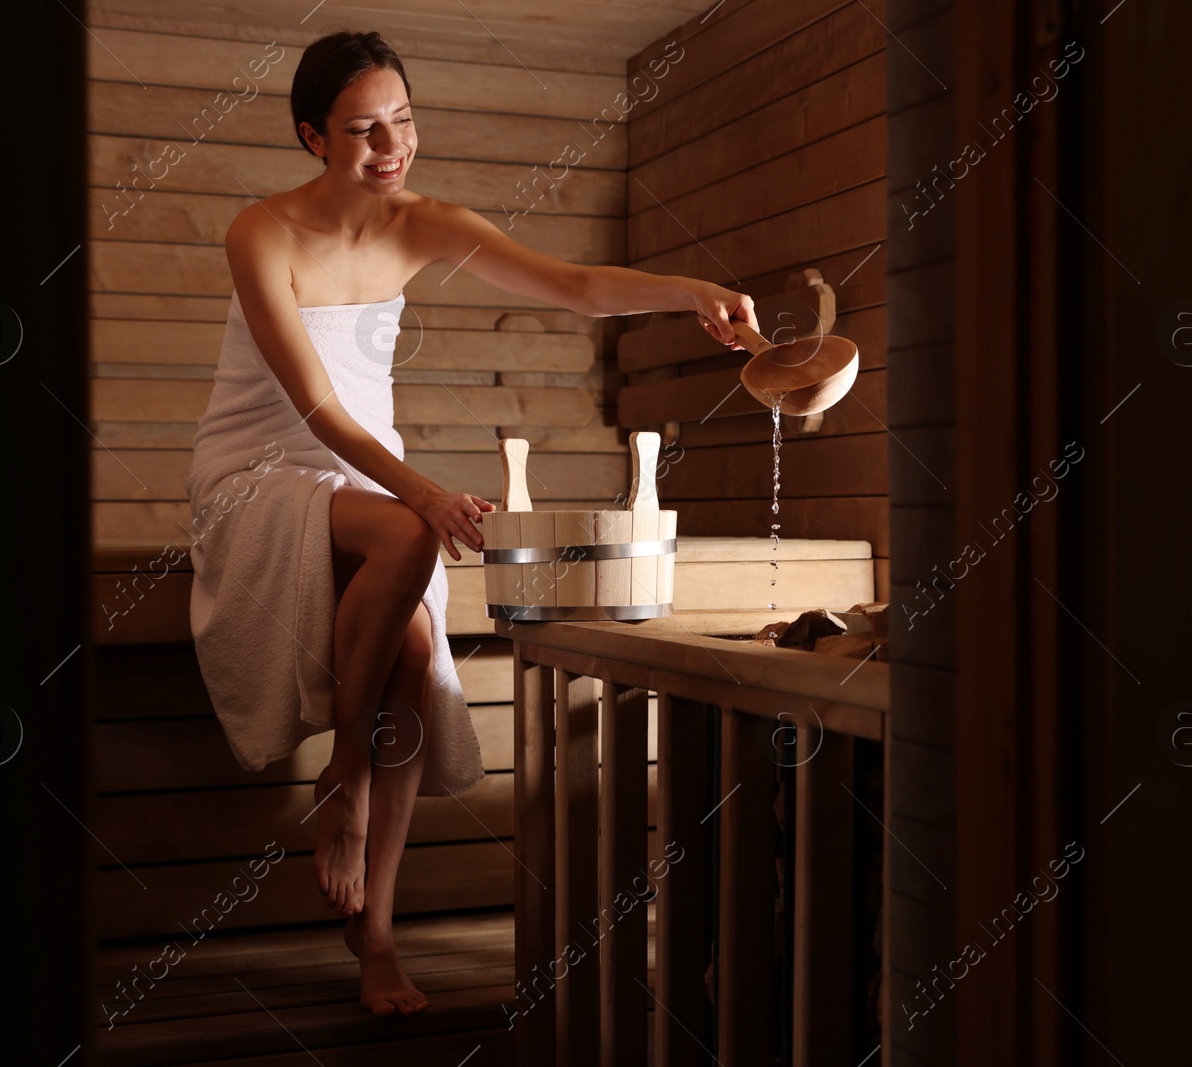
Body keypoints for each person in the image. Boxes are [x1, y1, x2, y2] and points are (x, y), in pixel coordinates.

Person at [184, 28, 760, 1019]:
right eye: (363, 130)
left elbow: (574, 288)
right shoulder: (261, 234)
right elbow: (318, 410)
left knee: (413, 659)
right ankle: (349, 781)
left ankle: (375, 937)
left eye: (401, 120)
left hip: (365, 479)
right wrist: (422, 492)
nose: (389, 147)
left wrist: (690, 293)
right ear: (312, 137)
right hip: (258, 474)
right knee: (413, 535)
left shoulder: (424, 223)